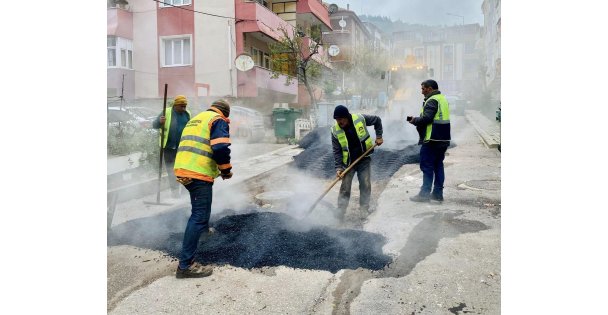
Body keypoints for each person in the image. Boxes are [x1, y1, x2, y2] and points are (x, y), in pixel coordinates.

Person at [172, 99, 233, 278]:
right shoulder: (218, 120)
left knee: (201, 207)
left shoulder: (198, 118)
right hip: (197, 172)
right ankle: (185, 266)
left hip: (185, 168)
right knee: (199, 215)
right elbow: (221, 147)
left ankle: (204, 233)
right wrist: (226, 170)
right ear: (225, 113)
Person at [331, 105, 383, 221]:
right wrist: (339, 168)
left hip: (363, 159)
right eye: (336, 120)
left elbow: (377, 120)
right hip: (348, 164)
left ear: (346, 117)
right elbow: (337, 151)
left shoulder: (360, 119)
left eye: (340, 119)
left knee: (365, 185)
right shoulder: (335, 131)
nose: (339, 122)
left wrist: (379, 136)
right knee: (345, 188)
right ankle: (340, 212)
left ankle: (364, 209)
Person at [406, 79, 451, 202]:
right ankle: (437, 194)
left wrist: (414, 120)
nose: (422, 92)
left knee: (427, 166)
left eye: (423, 89)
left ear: (430, 89)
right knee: (438, 166)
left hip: (432, 139)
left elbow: (427, 119)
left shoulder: (432, 101)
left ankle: (424, 194)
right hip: (443, 139)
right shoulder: (442, 99)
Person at [152, 95, 192, 199]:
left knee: (184, 170)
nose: (184, 108)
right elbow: (154, 125)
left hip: (183, 148)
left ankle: (184, 192)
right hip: (169, 148)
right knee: (172, 171)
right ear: (176, 105)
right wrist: (159, 122)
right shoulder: (167, 112)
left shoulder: (187, 114)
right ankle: (175, 193)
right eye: (182, 106)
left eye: (185, 106)